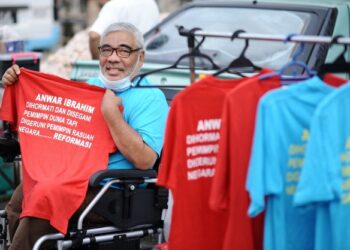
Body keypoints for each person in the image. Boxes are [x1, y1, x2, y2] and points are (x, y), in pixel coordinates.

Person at [2, 22, 169, 250]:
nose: (112, 57)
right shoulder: (87, 89)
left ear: (140, 57)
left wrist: (112, 114)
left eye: (123, 50)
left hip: (111, 189)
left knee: (45, 194)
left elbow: (145, 160)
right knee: (20, 198)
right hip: (71, 175)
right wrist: (18, 85)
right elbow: (57, 134)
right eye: (106, 50)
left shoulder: (151, 98)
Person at [89, 0, 160, 59]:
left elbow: (94, 36)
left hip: (122, 67)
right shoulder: (151, 4)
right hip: (148, 64)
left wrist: (98, 65)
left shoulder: (115, 5)